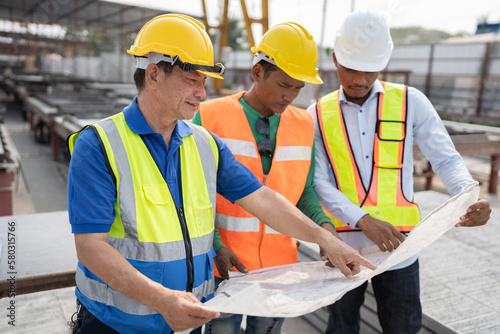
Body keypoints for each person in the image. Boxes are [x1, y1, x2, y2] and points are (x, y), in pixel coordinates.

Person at [66, 14, 376, 334]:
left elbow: (262, 199)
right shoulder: (99, 145)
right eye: (192, 80)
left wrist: (327, 239)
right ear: (154, 74)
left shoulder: (205, 145)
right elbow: (91, 246)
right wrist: (162, 301)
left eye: (204, 82)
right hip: (117, 325)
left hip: (189, 322)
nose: (202, 92)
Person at [308, 10, 492, 334]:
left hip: (400, 248)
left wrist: (469, 195)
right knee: (341, 328)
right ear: (335, 59)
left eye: (369, 70)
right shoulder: (317, 115)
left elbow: (446, 159)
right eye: (350, 69)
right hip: (344, 248)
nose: (359, 79)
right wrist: (363, 220)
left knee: (403, 328)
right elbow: (319, 182)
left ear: (384, 63)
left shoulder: (411, 102)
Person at [192, 22, 339, 334]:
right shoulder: (208, 116)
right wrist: (215, 244)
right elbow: (194, 194)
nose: (290, 96)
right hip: (226, 266)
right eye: (285, 85)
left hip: (281, 269)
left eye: (298, 88)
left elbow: (305, 191)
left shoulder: (303, 124)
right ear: (257, 72)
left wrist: (324, 229)